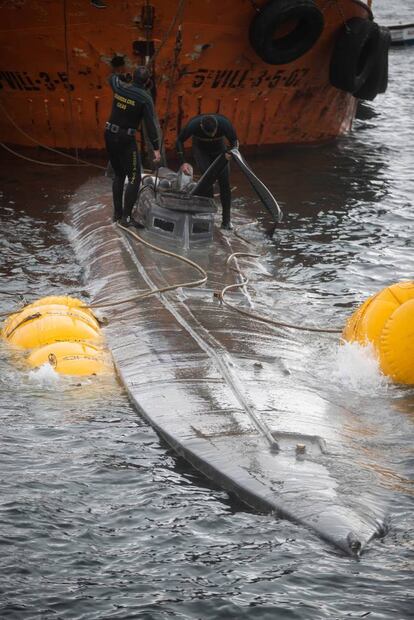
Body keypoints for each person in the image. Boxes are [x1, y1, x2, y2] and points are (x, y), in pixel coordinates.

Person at [105, 65, 161, 227]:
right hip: (125, 138)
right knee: (135, 177)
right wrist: (156, 148)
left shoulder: (119, 87)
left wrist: (123, 77)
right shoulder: (145, 98)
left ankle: (117, 213)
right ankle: (126, 218)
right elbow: (150, 125)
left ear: (133, 77)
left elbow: (112, 77)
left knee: (119, 174)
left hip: (109, 134)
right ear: (148, 81)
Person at [176, 114, 239, 229]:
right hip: (201, 151)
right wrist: (183, 162)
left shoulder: (224, 123)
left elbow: (234, 141)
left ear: (217, 126)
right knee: (208, 181)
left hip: (220, 151)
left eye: (213, 133)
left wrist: (231, 152)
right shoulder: (193, 125)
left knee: (224, 182)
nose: (211, 135)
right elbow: (179, 140)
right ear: (201, 126)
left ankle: (226, 221)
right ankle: (208, 217)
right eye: (208, 134)